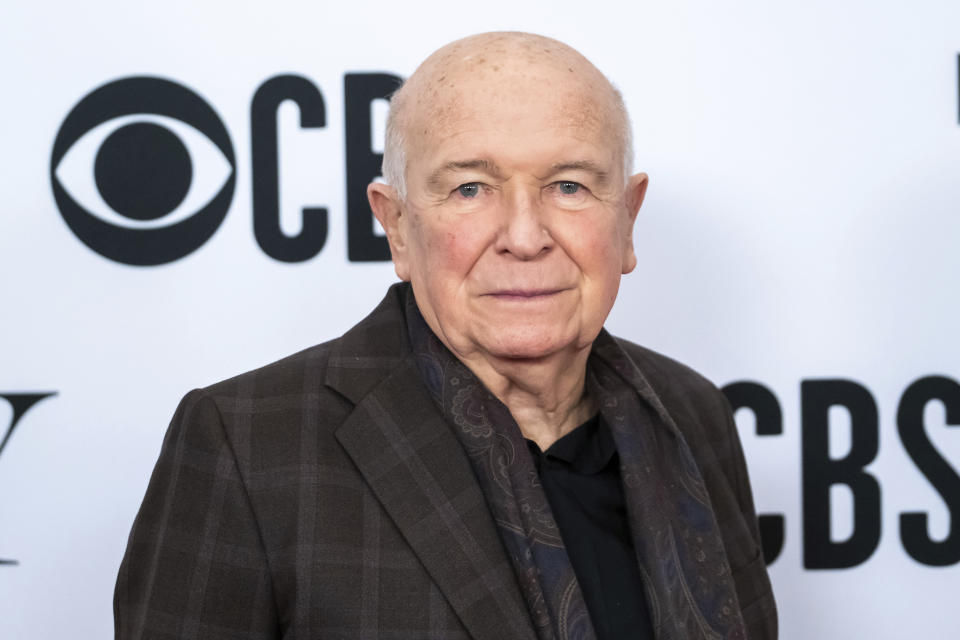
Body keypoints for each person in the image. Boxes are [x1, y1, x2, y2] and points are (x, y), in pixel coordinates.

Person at [115, 32, 777, 640]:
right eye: (469, 189)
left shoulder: (693, 415)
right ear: (397, 226)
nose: (524, 236)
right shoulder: (248, 447)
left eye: (569, 186)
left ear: (626, 222)